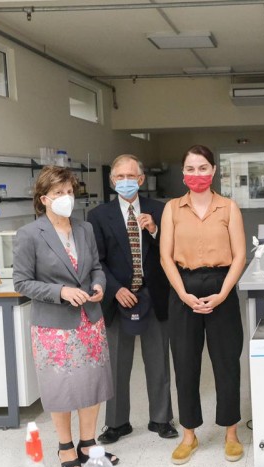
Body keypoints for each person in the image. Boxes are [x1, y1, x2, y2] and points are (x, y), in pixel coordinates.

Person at [13, 165, 118, 467]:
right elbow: (22, 282)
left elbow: (96, 267)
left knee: (92, 383)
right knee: (60, 385)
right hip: (53, 326)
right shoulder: (29, 234)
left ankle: (88, 444)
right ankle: (65, 446)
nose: (66, 197)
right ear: (43, 198)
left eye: (70, 192)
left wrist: (99, 285)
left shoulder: (84, 229)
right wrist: (60, 292)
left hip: (89, 321)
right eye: (59, 192)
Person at [159, 144, 246, 465]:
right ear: (183, 173)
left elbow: (240, 255)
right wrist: (182, 294)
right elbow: (165, 257)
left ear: (213, 170)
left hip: (222, 287)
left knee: (227, 362)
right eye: (191, 169)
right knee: (185, 364)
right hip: (183, 289)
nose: (197, 174)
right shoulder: (172, 209)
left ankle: (231, 433)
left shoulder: (228, 208)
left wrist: (222, 293)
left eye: (203, 168)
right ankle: (189, 434)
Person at [87, 154, 177, 444]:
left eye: (131, 176)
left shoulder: (160, 210)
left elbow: (172, 252)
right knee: (116, 364)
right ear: (112, 181)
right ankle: (116, 423)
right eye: (120, 177)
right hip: (118, 298)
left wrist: (154, 230)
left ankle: (161, 419)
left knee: (158, 360)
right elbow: (97, 261)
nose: (125, 181)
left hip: (154, 293)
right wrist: (115, 289)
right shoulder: (99, 216)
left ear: (141, 179)